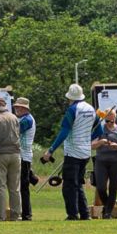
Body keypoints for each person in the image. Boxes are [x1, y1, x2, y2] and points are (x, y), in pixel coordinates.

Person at [44, 84, 96, 220]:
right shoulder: (91, 109)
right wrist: (86, 139)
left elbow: (64, 132)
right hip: (86, 152)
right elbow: (99, 131)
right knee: (78, 183)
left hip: (73, 152)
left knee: (69, 185)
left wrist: (51, 150)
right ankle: (85, 214)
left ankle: (73, 214)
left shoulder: (72, 110)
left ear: (70, 98)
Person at [12, 98, 37, 221]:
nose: (17, 109)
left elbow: (15, 132)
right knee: (22, 185)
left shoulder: (26, 120)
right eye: (16, 107)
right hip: (21, 156)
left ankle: (27, 215)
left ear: (25, 109)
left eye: (20, 107)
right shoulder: (22, 118)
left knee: (23, 187)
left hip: (24, 156)